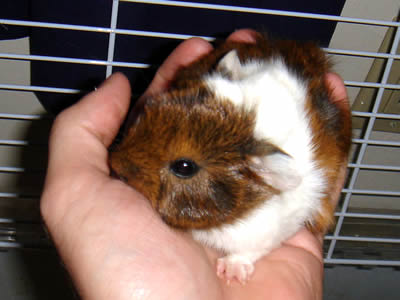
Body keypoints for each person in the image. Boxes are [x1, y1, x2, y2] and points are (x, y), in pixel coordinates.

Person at [40, 29, 348, 300]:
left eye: (184, 169)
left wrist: (245, 255)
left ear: (260, 173)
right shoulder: (209, 89)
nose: (122, 165)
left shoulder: (268, 211)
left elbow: (292, 205)